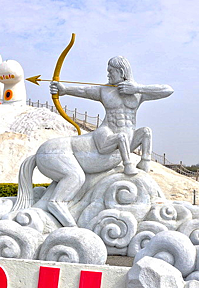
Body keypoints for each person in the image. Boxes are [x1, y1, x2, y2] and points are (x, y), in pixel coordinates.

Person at [13, 56, 173, 227]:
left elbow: (167, 90)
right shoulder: (105, 91)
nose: (108, 75)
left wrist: (137, 88)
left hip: (127, 135)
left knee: (145, 132)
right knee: (118, 139)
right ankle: (126, 165)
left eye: (111, 72)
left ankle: (143, 164)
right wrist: (64, 89)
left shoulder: (137, 93)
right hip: (108, 132)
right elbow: (84, 91)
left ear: (121, 72)